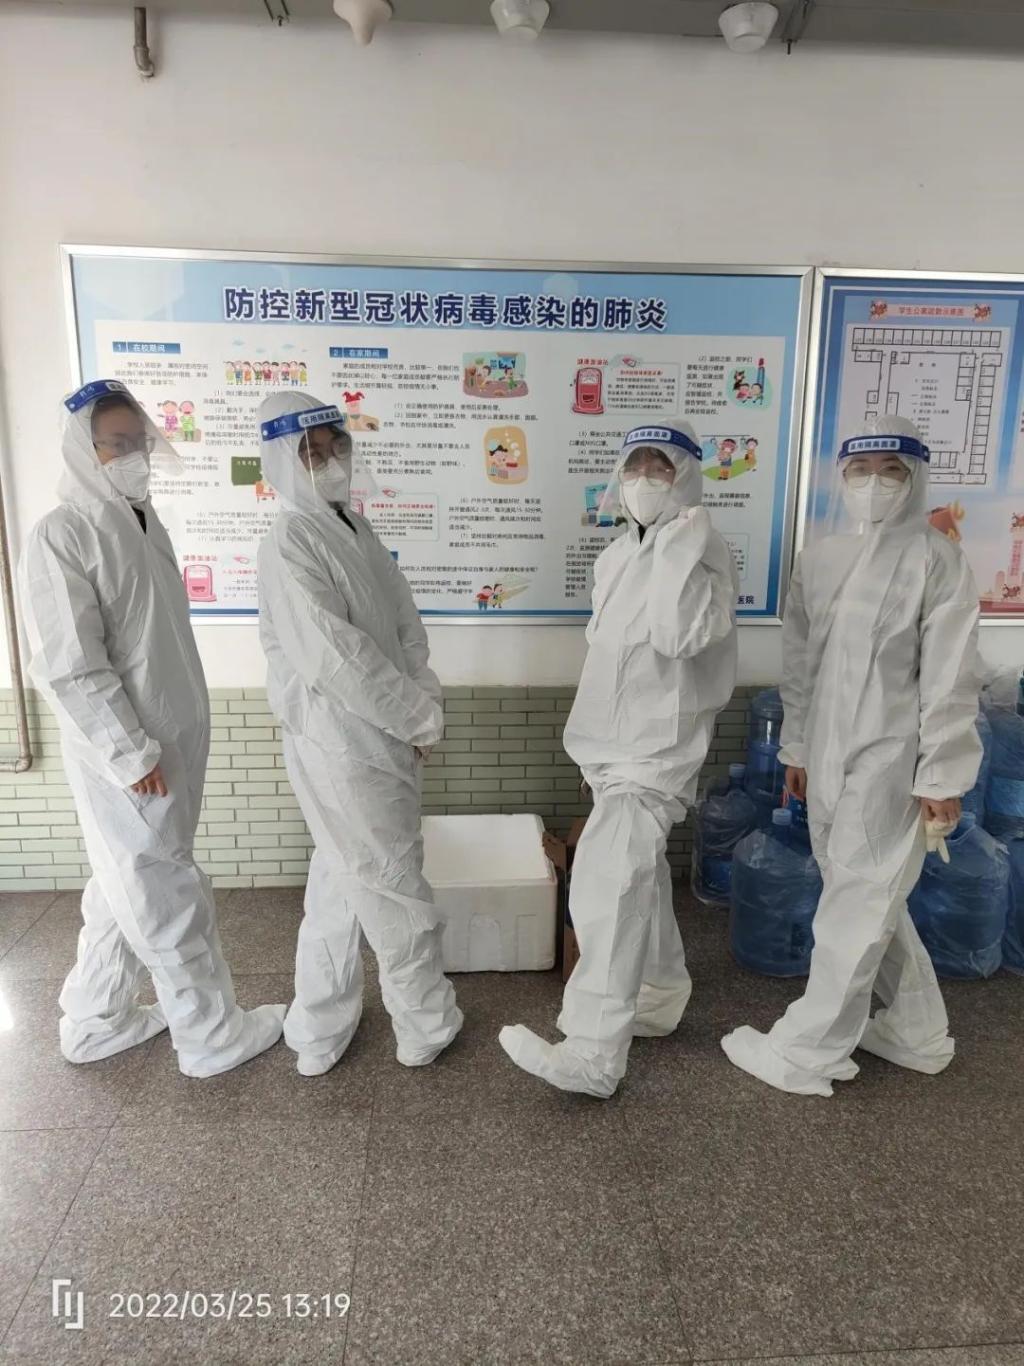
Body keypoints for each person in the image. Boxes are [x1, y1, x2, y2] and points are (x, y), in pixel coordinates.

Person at [19, 380, 285, 1076]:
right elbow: (70, 665)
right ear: (83, 450)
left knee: (123, 882)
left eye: (138, 440)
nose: (134, 454)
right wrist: (130, 752)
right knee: (162, 889)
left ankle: (95, 1020)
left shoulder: (140, 520)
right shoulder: (62, 534)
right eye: (117, 443)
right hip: (131, 753)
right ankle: (210, 1034)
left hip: (165, 740)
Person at [722, 415, 981, 1096]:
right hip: (828, 757)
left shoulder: (937, 561)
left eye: (892, 471)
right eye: (861, 471)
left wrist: (943, 775)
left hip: (893, 760)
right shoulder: (823, 558)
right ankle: (916, 1031)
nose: (874, 483)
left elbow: (952, 677)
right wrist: (798, 747)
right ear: (842, 477)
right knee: (864, 895)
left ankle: (809, 1050)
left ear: (916, 478)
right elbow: (801, 664)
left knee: (856, 904)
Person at [499, 420, 738, 1097]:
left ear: (687, 476)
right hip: (612, 754)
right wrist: (594, 753)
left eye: (660, 468)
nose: (643, 481)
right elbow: (607, 659)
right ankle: (657, 997)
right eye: (634, 467)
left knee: (606, 884)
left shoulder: (702, 554)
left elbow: (677, 636)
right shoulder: (614, 558)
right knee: (639, 879)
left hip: (659, 752)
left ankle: (594, 1054)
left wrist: (681, 545)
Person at [256, 391, 462, 1076]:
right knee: (392, 883)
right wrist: (417, 716)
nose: (329, 462)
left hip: (382, 734)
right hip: (341, 743)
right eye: (310, 453)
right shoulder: (290, 539)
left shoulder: (355, 528)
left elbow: (405, 627)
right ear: (283, 463)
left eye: (333, 447)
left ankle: (318, 1025)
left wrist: (421, 700)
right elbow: (334, 656)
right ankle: (424, 1024)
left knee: (340, 882)